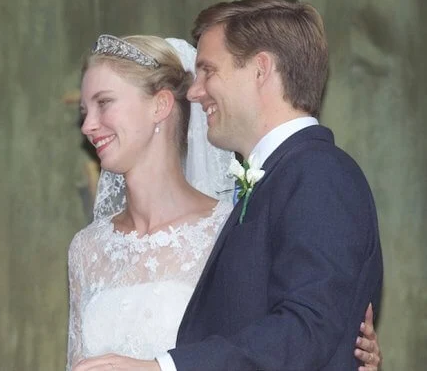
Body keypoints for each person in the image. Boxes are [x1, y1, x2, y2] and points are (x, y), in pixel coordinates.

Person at [68, 29, 382, 370]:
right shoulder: (86, 248)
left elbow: (291, 336)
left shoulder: (230, 230)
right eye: (85, 110)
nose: (88, 125)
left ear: (160, 105)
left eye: (104, 103)